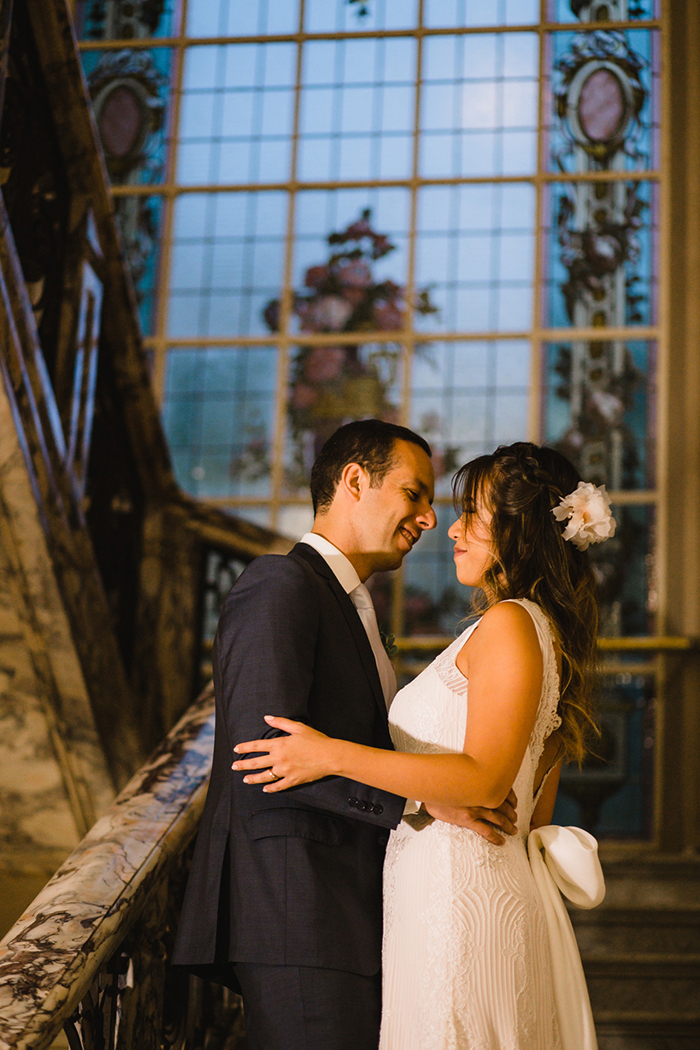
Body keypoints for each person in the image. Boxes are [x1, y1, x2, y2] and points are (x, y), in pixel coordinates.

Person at [233, 441, 613, 1050]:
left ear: (517, 531)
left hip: (455, 898)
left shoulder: (511, 623)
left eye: (472, 514)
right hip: (463, 883)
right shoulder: (541, 632)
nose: (451, 528)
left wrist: (328, 753)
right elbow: (532, 810)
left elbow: (487, 782)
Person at [173, 419, 519, 1050]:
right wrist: (421, 800)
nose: (429, 518)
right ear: (355, 481)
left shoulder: (351, 606)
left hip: (346, 913)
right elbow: (263, 756)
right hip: (299, 911)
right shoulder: (280, 584)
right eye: (415, 494)